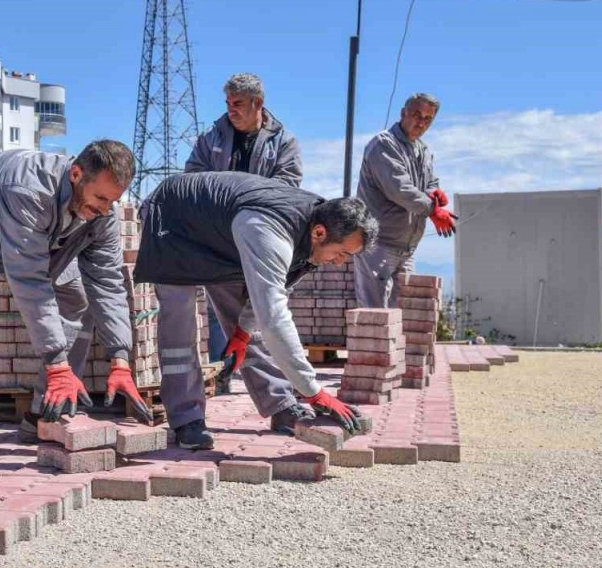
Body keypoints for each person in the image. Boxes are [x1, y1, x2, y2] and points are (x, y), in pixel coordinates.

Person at [0, 141, 152, 460]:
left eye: (111, 201)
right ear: (76, 174)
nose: (104, 210)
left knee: (77, 293)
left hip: (29, 245)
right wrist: (57, 362)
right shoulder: (27, 187)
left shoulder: (102, 214)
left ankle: (43, 414)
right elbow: (29, 277)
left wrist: (120, 357)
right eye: (100, 198)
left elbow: (108, 282)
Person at [134, 172, 377, 449]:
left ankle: (281, 405)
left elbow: (274, 293)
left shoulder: (316, 224)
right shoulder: (269, 230)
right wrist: (314, 391)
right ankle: (186, 418)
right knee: (180, 319)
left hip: (220, 235)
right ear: (319, 233)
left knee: (249, 324)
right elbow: (274, 315)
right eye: (342, 253)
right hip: (173, 220)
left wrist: (243, 329)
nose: (339, 263)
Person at [184, 73, 310, 428]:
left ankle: (289, 395)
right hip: (218, 245)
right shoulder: (212, 140)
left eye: (238, 104)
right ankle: (283, 404)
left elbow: (287, 189)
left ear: (258, 104)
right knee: (241, 327)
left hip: (262, 243)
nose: (231, 110)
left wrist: (238, 196)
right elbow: (192, 177)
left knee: (263, 320)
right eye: (227, 103)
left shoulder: (284, 143)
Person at [354, 92, 456, 309]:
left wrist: (434, 192)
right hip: (378, 243)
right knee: (374, 316)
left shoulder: (423, 149)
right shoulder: (384, 145)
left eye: (428, 118)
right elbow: (400, 190)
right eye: (417, 114)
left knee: (401, 318)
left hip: (406, 246)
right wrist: (432, 210)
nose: (421, 122)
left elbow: (430, 180)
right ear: (403, 113)